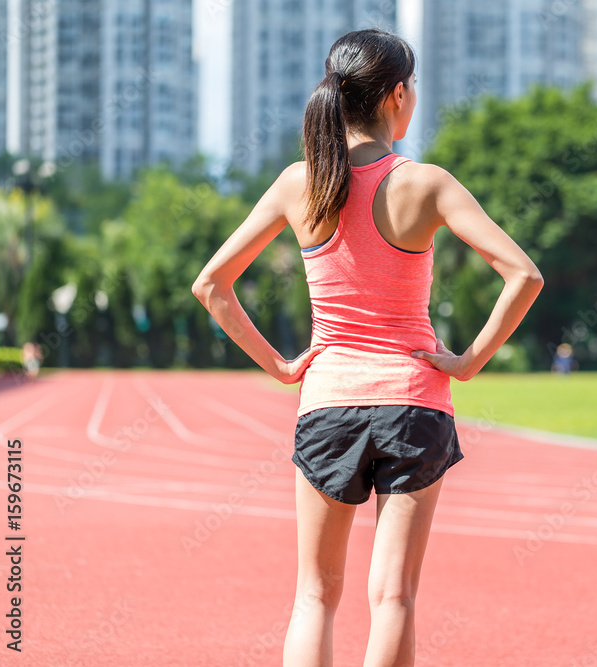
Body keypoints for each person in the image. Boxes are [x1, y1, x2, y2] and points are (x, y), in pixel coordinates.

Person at [191, 28, 543, 667]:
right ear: (398, 96)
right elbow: (525, 275)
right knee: (394, 599)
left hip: (328, 403)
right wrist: (468, 363)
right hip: (415, 404)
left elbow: (211, 284)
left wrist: (280, 366)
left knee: (314, 597)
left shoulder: (300, 184)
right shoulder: (425, 184)